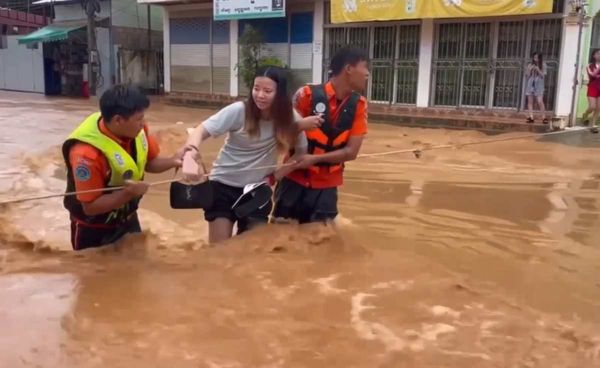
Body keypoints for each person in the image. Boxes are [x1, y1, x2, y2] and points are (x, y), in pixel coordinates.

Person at [181, 66, 321, 244]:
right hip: (222, 185)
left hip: (257, 192)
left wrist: (273, 178)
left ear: (280, 94)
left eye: (267, 91)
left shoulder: (291, 118)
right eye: (256, 89)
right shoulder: (239, 110)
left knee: (250, 252)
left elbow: (301, 154)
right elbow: (201, 130)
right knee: (219, 250)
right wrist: (190, 153)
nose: (260, 95)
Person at [62, 85, 183, 250]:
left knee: (137, 271)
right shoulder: (86, 155)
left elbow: (149, 162)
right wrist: (128, 193)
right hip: (93, 229)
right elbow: (90, 207)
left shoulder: (138, 131)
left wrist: (174, 161)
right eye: (139, 119)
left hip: (127, 219)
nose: (143, 124)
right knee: (93, 273)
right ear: (118, 120)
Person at [272, 47, 370, 224]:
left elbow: (351, 152)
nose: (367, 73)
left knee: (322, 242)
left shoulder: (359, 106)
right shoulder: (306, 96)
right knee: (280, 236)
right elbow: (280, 133)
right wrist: (301, 125)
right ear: (349, 69)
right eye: (364, 67)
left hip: (327, 186)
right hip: (293, 180)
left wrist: (314, 159)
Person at [525, 52, 548, 125]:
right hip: (531, 84)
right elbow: (527, 77)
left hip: (539, 85)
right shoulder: (530, 65)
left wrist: (538, 69)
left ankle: (544, 117)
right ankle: (531, 117)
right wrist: (529, 70)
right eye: (534, 57)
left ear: (540, 58)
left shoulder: (543, 65)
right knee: (530, 101)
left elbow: (543, 76)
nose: (535, 59)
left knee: (540, 101)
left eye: (537, 58)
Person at [582, 49, 600, 134]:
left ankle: (592, 124)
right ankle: (585, 115)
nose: (599, 55)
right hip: (593, 87)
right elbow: (592, 76)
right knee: (592, 106)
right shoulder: (589, 66)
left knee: (598, 107)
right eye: (598, 54)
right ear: (594, 56)